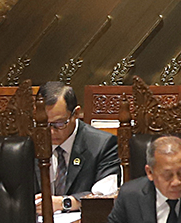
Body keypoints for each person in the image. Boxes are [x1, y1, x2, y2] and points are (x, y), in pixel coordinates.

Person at [37, 81, 119, 213]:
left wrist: (65, 203)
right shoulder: (28, 145)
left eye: (59, 124)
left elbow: (104, 196)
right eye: (43, 124)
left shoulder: (103, 145)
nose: (50, 132)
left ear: (75, 114)